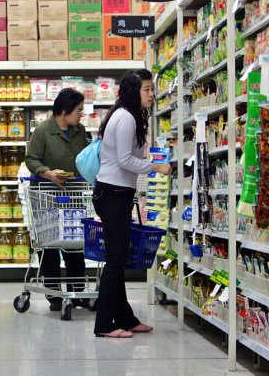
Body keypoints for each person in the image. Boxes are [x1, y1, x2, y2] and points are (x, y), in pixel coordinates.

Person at [92, 69, 172, 338]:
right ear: (133, 91)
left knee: (119, 259)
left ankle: (125, 318)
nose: (152, 94)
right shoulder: (125, 118)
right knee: (115, 262)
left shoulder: (129, 115)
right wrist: (156, 167)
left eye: (152, 89)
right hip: (112, 194)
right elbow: (125, 160)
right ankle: (104, 324)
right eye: (146, 89)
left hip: (117, 194)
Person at [25, 88, 89, 312]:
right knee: (49, 248)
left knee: (75, 248)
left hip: (73, 196)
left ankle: (77, 292)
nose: (81, 115)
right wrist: (49, 173)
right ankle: (54, 295)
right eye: (78, 111)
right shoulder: (43, 131)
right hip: (47, 197)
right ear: (64, 110)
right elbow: (31, 160)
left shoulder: (80, 130)